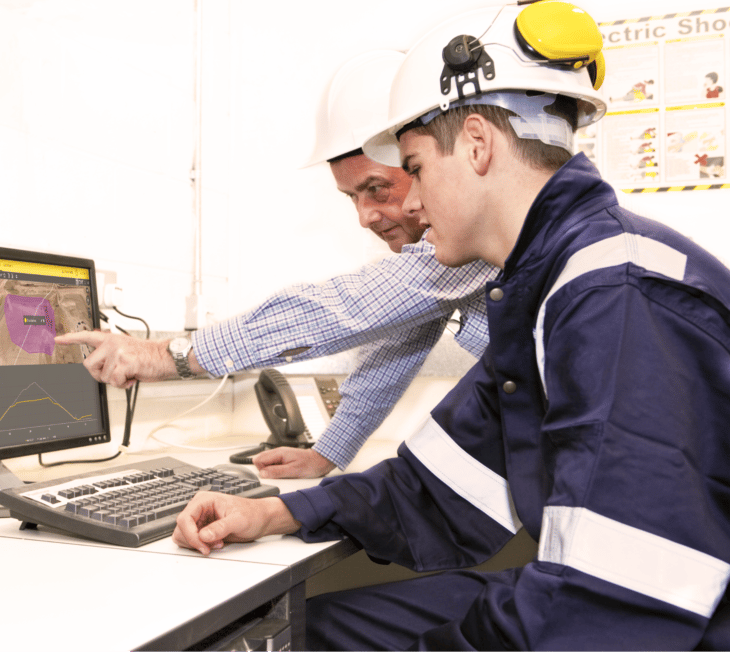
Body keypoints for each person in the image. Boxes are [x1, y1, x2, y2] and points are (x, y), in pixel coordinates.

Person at [171, 3, 730, 650]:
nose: (409, 202)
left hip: (661, 624)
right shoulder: (547, 290)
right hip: (595, 599)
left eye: (414, 169)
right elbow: (434, 488)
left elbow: (613, 607)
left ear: (476, 144)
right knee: (305, 631)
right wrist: (276, 510)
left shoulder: (614, 297)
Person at [56, 50, 498, 479]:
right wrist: (327, 452)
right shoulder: (453, 256)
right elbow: (398, 341)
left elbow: (344, 308)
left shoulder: (482, 224)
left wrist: (164, 356)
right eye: (352, 198)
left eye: (378, 189)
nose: (364, 218)